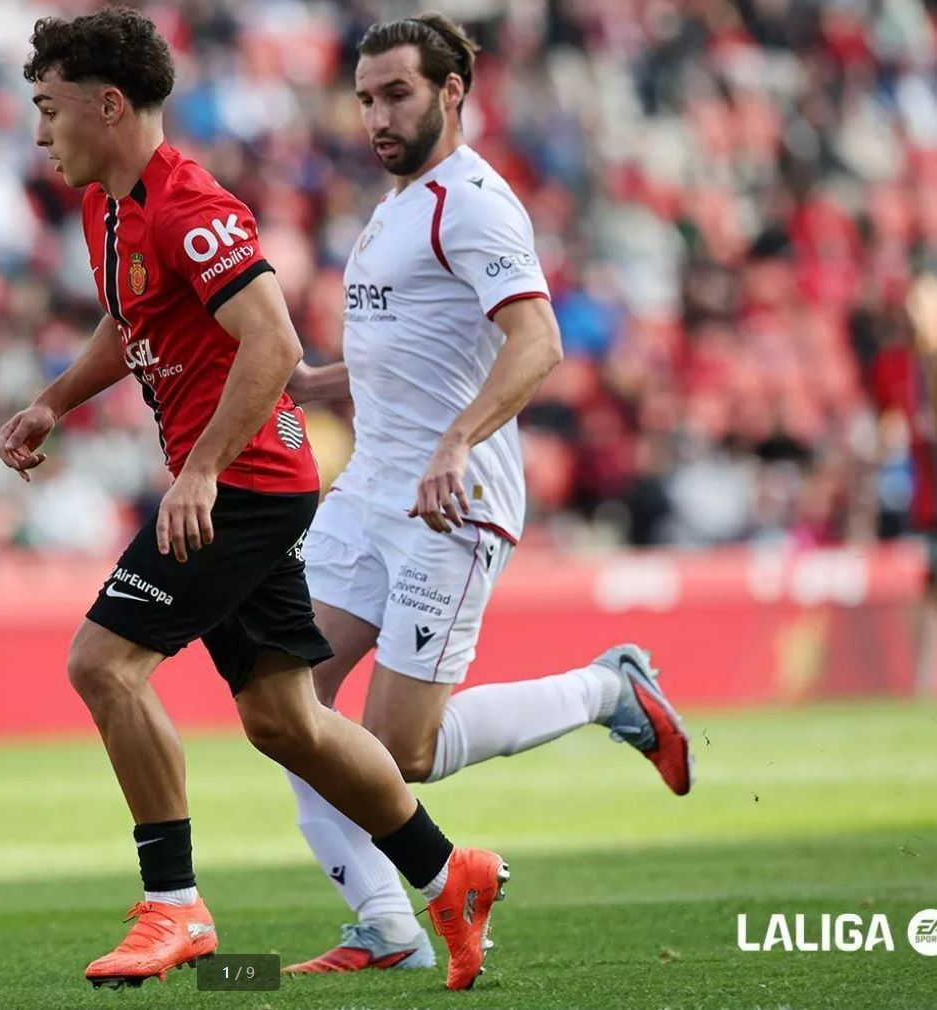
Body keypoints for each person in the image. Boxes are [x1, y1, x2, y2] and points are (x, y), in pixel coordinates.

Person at [0, 7, 508, 993]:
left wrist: (198, 471)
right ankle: (450, 875)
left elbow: (273, 342)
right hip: (243, 478)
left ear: (110, 105)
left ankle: (175, 906)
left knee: (103, 664)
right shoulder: (110, 208)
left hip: (244, 481)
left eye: (50, 109)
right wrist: (54, 400)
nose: (41, 132)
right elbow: (133, 319)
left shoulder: (190, 205)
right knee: (284, 719)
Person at [279, 14, 695, 974]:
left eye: (397, 95)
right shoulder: (395, 205)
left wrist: (457, 440)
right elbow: (414, 356)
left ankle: (609, 690)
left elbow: (537, 341)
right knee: (285, 702)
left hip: (450, 502)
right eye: (366, 99)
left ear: (452, 92)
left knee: (400, 753)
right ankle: (386, 925)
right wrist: (311, 384)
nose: (377, 116)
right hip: (369, 491)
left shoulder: (473, 204)